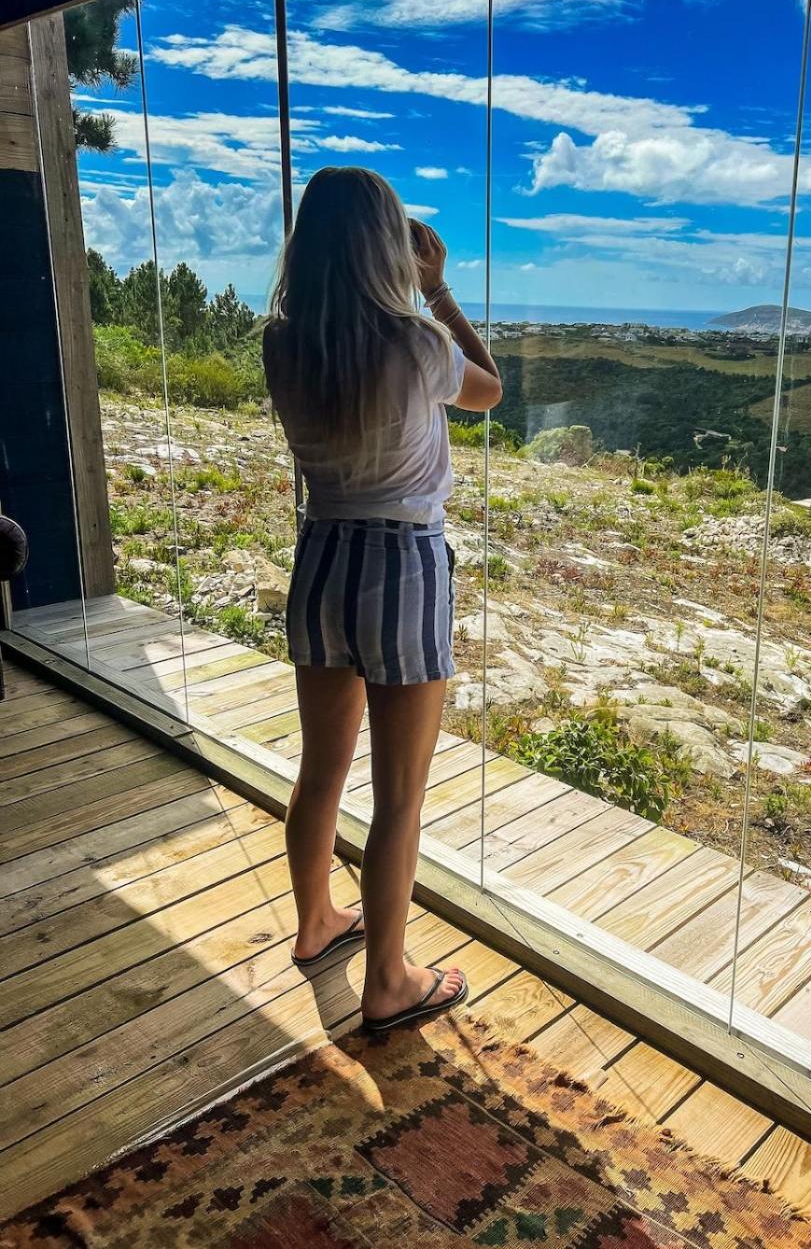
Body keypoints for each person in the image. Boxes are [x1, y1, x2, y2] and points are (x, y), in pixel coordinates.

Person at [262, 166, 502, 1033]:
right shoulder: (418, 344)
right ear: (386, 247)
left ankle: (315, 924)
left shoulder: (282, 343)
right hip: (402, 562)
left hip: (321, 555)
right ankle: (390, 982)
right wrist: (438, 291)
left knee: (320, 769)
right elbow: (489, 390)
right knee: (399, 795)